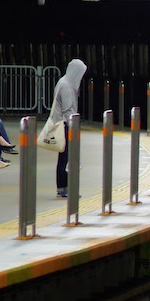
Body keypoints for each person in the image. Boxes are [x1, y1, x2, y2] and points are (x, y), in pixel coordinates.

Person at [50, 59, 87, 197]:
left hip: (64, 124)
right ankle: (64, 188)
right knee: (66, 157)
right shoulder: (66, 85)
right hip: (66, 125)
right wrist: (74, 127)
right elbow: (67, 109)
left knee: (64, 157)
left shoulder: (63, 82)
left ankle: (63, 187)